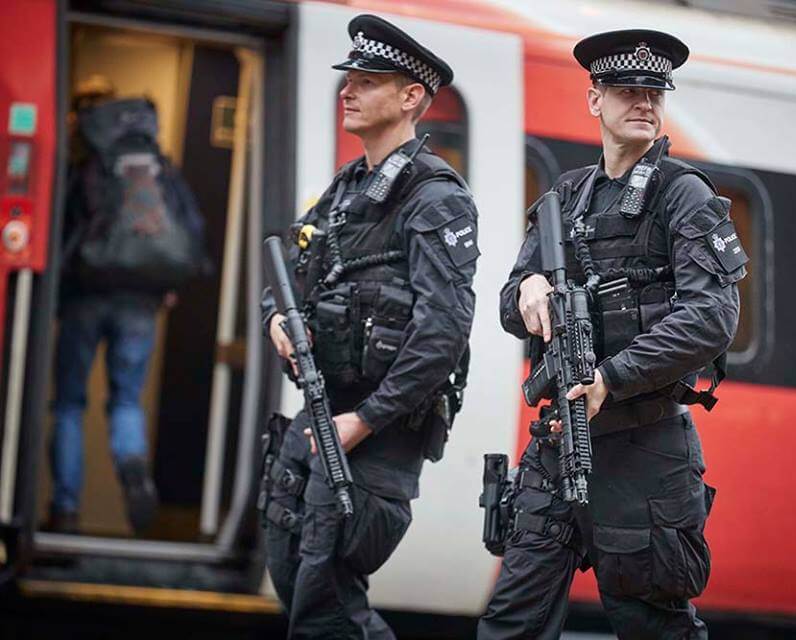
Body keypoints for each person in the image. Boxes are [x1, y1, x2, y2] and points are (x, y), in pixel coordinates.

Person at [478, 29, 745, 639]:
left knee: (653, 625)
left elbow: (713, 316)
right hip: (556, 443)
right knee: (510, 623)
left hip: (645, 450)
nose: (645, 103)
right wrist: (528, 291)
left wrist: (611, 378)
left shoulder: (685, 196)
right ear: (594, 100)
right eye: (628, 90)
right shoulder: (564, 199)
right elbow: (507, 305)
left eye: (655, 91)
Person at [258, 14, 478, 639]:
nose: (348, 91)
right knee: (295, 579)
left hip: (374, 436)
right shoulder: (346, 188)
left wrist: (367, 419)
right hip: (320, 418)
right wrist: (276, 317)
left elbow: (443, 334)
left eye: (368, 80)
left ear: (411, 97)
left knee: (326, 613)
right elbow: (288, 278)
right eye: (349, 78)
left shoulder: (437, 199)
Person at [49, 82, 206, 535]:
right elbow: (191, 231)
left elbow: (62, 231)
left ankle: (64, 510)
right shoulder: (158, 168)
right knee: (125, 401)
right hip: (141, 299)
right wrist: (168, 285)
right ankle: (133, 466)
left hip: (86, 295)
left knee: (68, 404)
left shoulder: (87, 166)